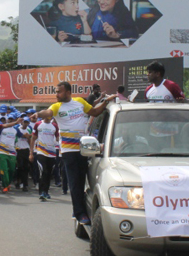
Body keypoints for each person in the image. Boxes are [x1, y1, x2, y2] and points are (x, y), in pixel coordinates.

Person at [32, 82, 115, 225]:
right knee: (74, 182)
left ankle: (78, 208)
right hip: (68, 151)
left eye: (59, 92)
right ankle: (80, 213)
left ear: (68, 92)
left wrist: (106, 101)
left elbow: (95, 112)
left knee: (82, 181)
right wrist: (38, 114)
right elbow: (48, 112)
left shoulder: (79, 102)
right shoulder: (57, 107)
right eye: (56, 92)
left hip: (83, 149)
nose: (56, 95)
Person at [30, 116, 60, 201]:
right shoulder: (38, 124)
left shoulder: (54, 126)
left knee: (49, 173)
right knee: (43, 171)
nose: (48, 117)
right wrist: (31, 153)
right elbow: (33, 138)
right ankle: (42, 192)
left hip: (52, 153)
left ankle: (46, 192)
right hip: (41, 152)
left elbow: (58, 138)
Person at [14, 116, 33, 192]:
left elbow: (30, 140)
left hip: (26, 150)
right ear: (22, 122)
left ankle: (24, 184)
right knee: (19, 167)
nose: (25, 124)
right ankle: (18, 181)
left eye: (27, 122)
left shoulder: (29, 129)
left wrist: (30, 149)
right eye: (24, 122)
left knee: (26, 168)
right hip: (18, 149)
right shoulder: (17, 129)